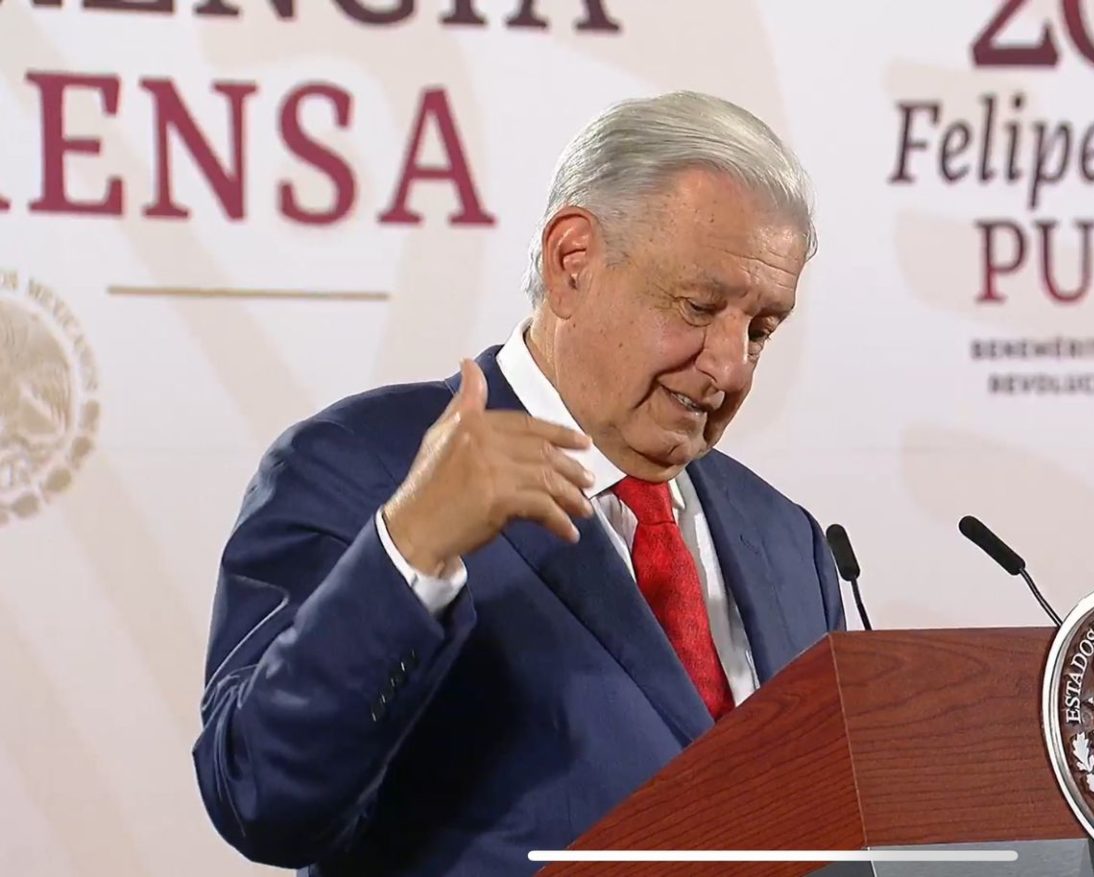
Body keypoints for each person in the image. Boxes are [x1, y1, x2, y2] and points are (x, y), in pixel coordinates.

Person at [192, 91, 845, 876]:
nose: (731, 367)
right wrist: (409, 553)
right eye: (699, 306)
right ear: (573, 262)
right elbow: (260, 797)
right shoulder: (359, 466)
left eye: (761, 329)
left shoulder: (787, 540)